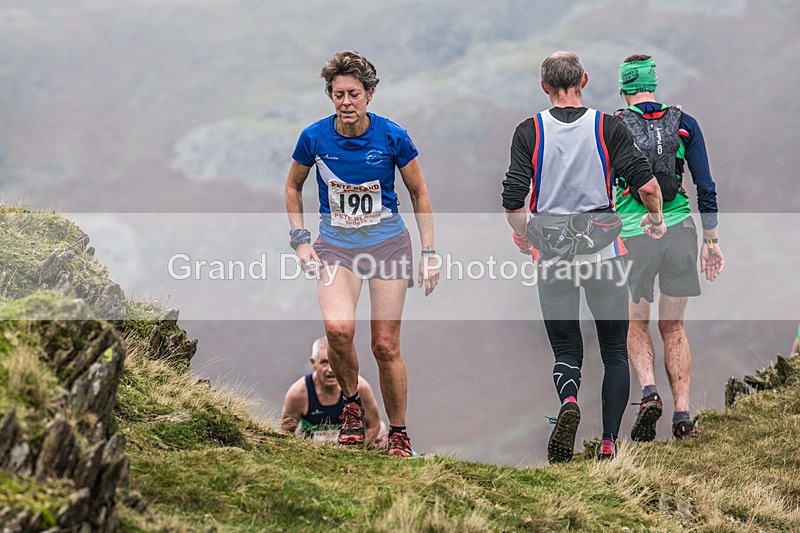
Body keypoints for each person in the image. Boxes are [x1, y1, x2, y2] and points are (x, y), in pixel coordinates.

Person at [502, 51, 665, 462]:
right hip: (604, 252)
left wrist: (525, 236)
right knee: (613, 351)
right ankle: (609, 442)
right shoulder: (607, 127)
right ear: (585, 80)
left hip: (553, 254)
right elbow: (645, 187)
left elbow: (512, 198)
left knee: (566, 350)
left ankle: (569, 403)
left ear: (544, 87)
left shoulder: (529, 130)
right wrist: (657, 219)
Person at [285, 51, 439, 457]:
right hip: (335, 249)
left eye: (354, 93)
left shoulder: (392, 136)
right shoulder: (314, 138)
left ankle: (400, 434)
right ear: (330, 97)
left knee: (385, 345)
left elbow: (419, 193)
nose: (346, 102)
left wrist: (430, 252)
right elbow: (292, 187)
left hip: (388, 246)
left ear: (370, 94)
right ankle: (352, 406)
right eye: (338, 94)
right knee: (338, 330)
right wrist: (299, 239)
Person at [615, 55, 725, 442]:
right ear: (653, 84)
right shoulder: (685, 124)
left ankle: (648, 393)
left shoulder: (613, 126)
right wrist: (710, 240)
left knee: (636, 323)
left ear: (623, 88)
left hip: (633, 234)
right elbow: (705, 186)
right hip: (680, 232)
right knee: (674, 326)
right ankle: (682, 417)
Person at [280, 337, 387, 445]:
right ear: (313, 363)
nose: (330, 370)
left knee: (382, 430)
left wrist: (359, 452)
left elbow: (374, 424)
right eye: (324, 363)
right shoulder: (298, 393)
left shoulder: (360, 387)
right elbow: (285, 433)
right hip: (314, 449)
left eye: (335, 362)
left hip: (352, 447)